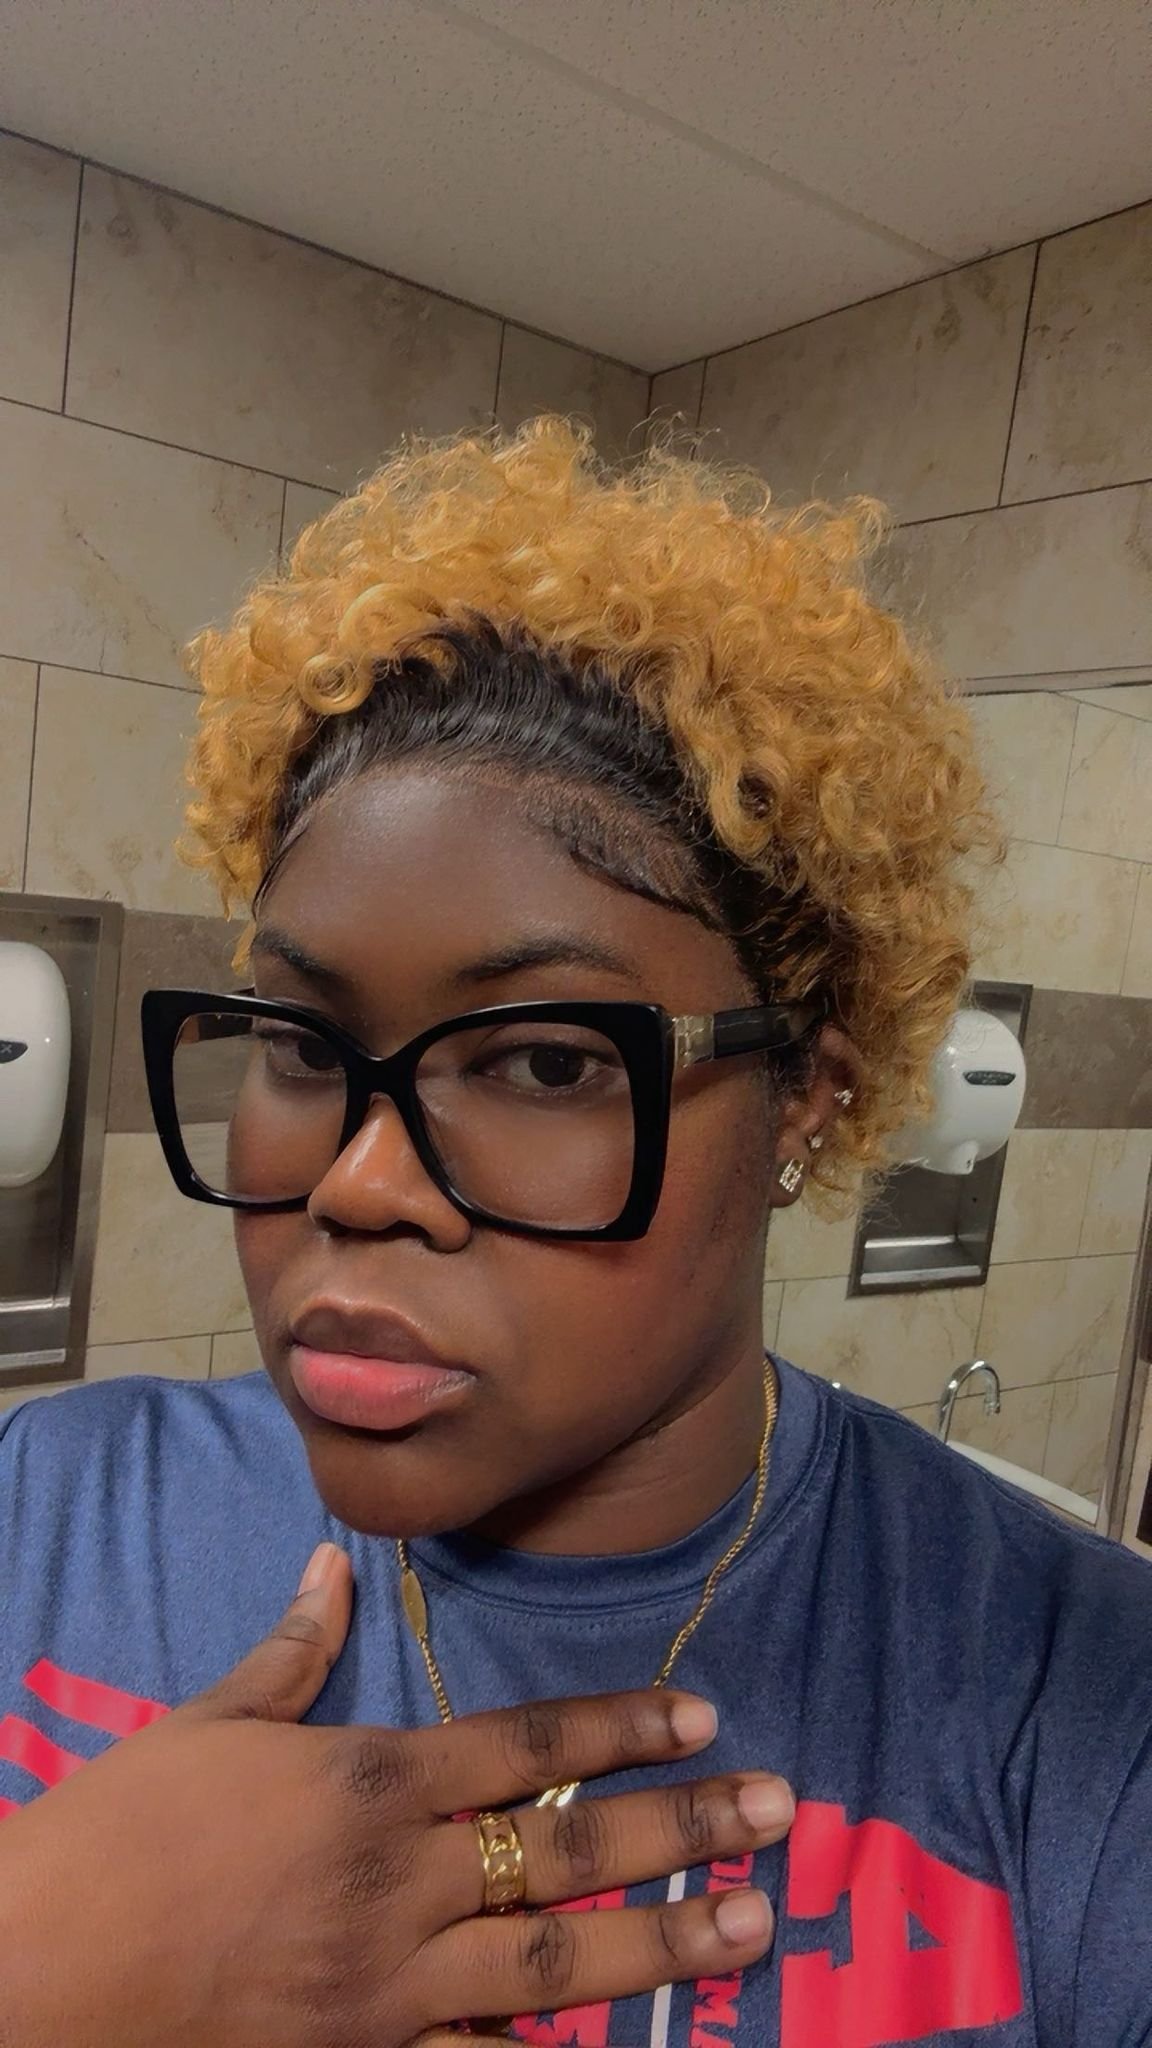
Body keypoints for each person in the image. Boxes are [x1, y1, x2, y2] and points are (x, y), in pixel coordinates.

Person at [0, 419, 1148, 2048]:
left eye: (544, 1063)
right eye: (305, 1046)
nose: (358, 1184)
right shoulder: (50, 1510)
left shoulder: (1076, 1708)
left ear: (807, 1099)